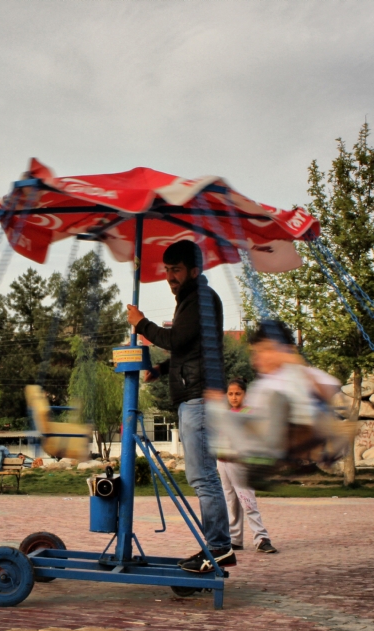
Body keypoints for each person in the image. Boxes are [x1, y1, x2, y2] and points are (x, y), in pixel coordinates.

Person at [127, 239, 235, 572]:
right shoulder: (192, 299)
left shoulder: (200, 298)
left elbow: (176, 340)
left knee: (203, 477)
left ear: (193, 270)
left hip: (199, 398)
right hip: (196, 396)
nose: (170, 277)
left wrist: (141, 324)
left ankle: (218, 547)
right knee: (202, 475)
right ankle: (216, 546)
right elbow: (188, 350)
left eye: (176, 270)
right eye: (167, 270)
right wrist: (160, 370)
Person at [206, 321, 344, 490]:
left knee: (276, 398)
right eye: (256, 352)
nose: (259, 357)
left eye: (266, 350)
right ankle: (255, 459)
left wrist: (295, 362)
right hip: (265, 435)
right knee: (217, 409)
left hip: (300, 426)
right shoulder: (260, 386)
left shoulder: (299, 372)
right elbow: (252, 417)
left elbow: (329, 392)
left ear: (284, 350)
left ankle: (264, 456)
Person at [217, 378, 277, 553]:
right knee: (231, 501)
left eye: (238, 393)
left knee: (247, 501)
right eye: (230, 394)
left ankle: (261, 538)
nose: (234, 397)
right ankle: (235, 538)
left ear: (245, 394)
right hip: (223, 462)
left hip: (240, 463)